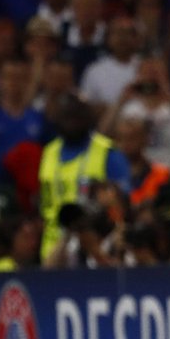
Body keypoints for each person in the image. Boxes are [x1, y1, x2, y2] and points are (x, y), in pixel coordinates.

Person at [37, 93, 129, 259]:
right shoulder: (48, 153)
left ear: (88, 118)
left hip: (95, 249)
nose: (72, 122)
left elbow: (123, 204)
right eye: (66, 116)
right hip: (53, 250)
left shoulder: (107, 152)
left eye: (77, 116)